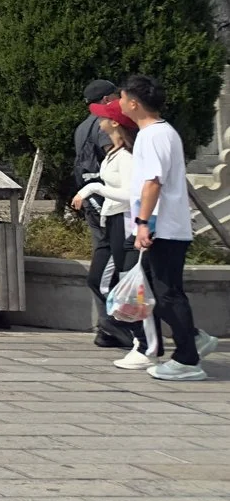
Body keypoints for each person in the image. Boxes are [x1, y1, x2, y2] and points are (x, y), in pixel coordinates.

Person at [118, 73, 220, 382]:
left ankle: (188, 359)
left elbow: (153, 182)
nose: (119, 103)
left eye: (122, 98)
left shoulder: (154, 136)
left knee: (167, 294)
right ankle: (193, 339)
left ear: (134, 103)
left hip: (165, 228)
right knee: (157, 292)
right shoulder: (158, 133)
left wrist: (143, 223)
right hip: (162, 226)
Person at [72, 101, 152, 360]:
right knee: (98, 278)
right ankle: (119, 327)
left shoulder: (127, 156)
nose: (99, 121)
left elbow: (131, 194)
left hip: (125, 222)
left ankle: (132, 331)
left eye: (103, 117)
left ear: (115, 123)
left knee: (113, 281)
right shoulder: (113, 153)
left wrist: (93, 189)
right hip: (112, 221)